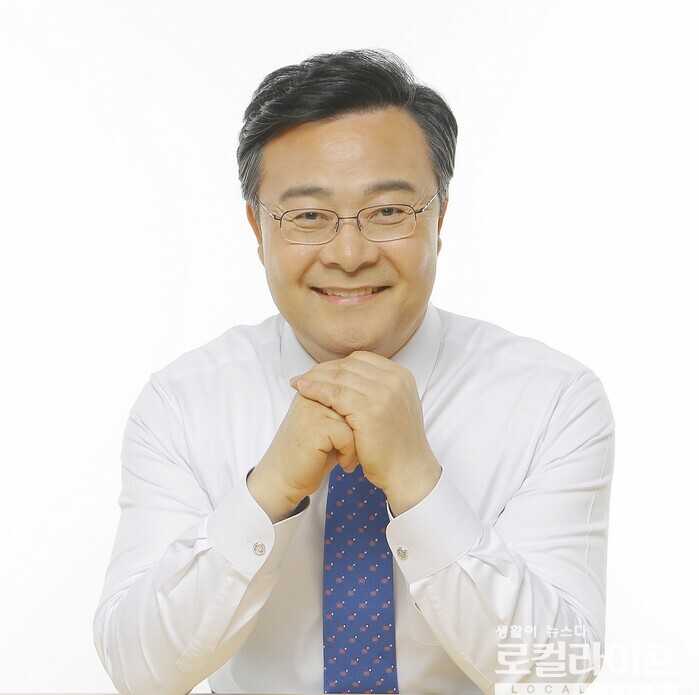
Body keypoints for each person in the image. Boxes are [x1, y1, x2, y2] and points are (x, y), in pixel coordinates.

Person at [94, 48, 615, 695]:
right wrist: (267, 492)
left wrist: (417, 483)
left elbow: (557, 672)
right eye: (308, 216)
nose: (348, 253)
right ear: (257, 227)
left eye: (388, 211)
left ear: (439, 218)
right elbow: (140, 671)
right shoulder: (181, 403)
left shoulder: (552, 400)